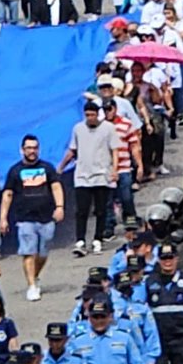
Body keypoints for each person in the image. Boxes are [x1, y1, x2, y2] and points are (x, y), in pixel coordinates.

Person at [0, 135, 64, 302]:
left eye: (34, 147)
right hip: (24, 218)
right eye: (28, 148)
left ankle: (35, 276)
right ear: (22, 150)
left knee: (43, 252)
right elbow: (8, 194)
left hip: (46, 217)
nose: (32, 151)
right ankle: (32, 286)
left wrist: (60, 207)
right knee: (29, 252)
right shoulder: (15, 171)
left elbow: (56, 187)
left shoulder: (47, 168)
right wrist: (3, 218)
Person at [57, 100, 119, 258]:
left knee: (100, 209)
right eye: (87, 115)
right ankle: (80, 241)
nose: (90, 118)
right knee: (81, 210)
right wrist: (61, 166)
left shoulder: (108, 129)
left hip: (101, 175)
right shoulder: (78, 129)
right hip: (82, 176)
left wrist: (115, 170)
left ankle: (98, 239)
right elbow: (72, 149)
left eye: (92, 115)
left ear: (98, 114)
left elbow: (115, 150)